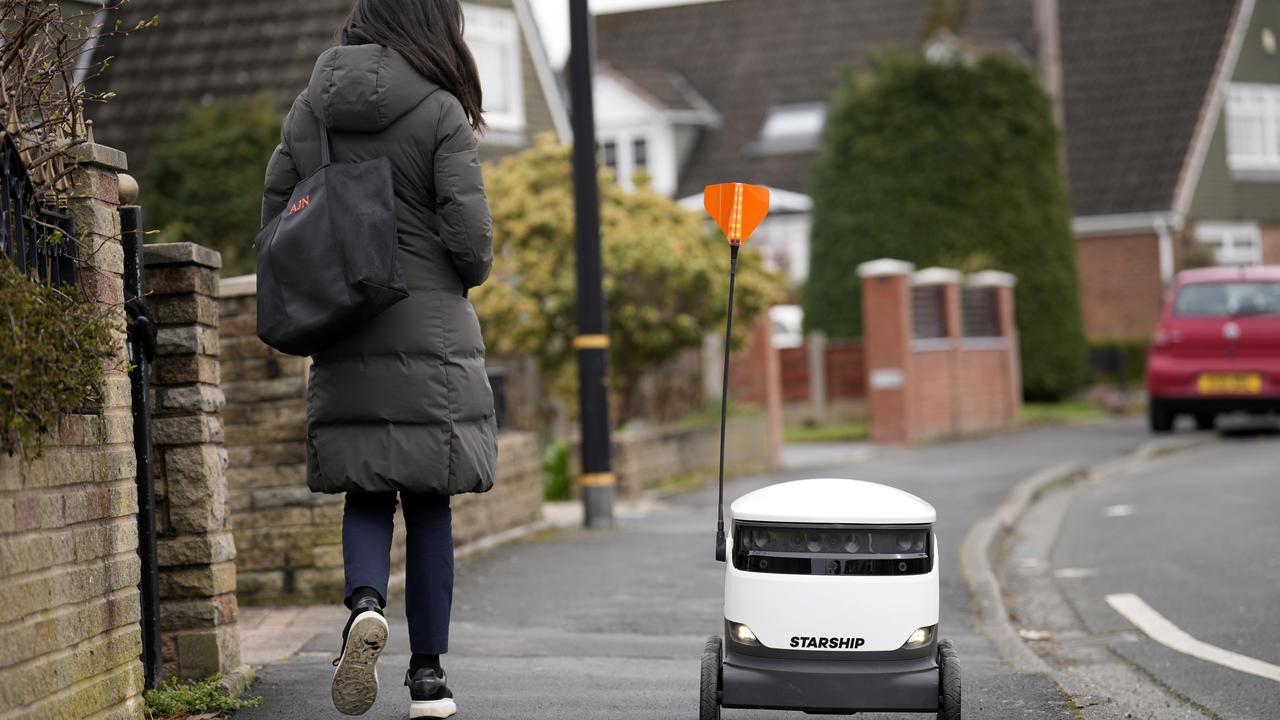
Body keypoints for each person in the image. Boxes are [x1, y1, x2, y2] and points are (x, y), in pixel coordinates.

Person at [260, 0, 497, 716]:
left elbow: (275, 219)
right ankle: (428, 677)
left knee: (367, 489)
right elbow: (472, 245)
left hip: (345, 320)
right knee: (429, 503)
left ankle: (364, 603)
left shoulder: (310, 109)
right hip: (429, 330)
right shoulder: (440, 111)